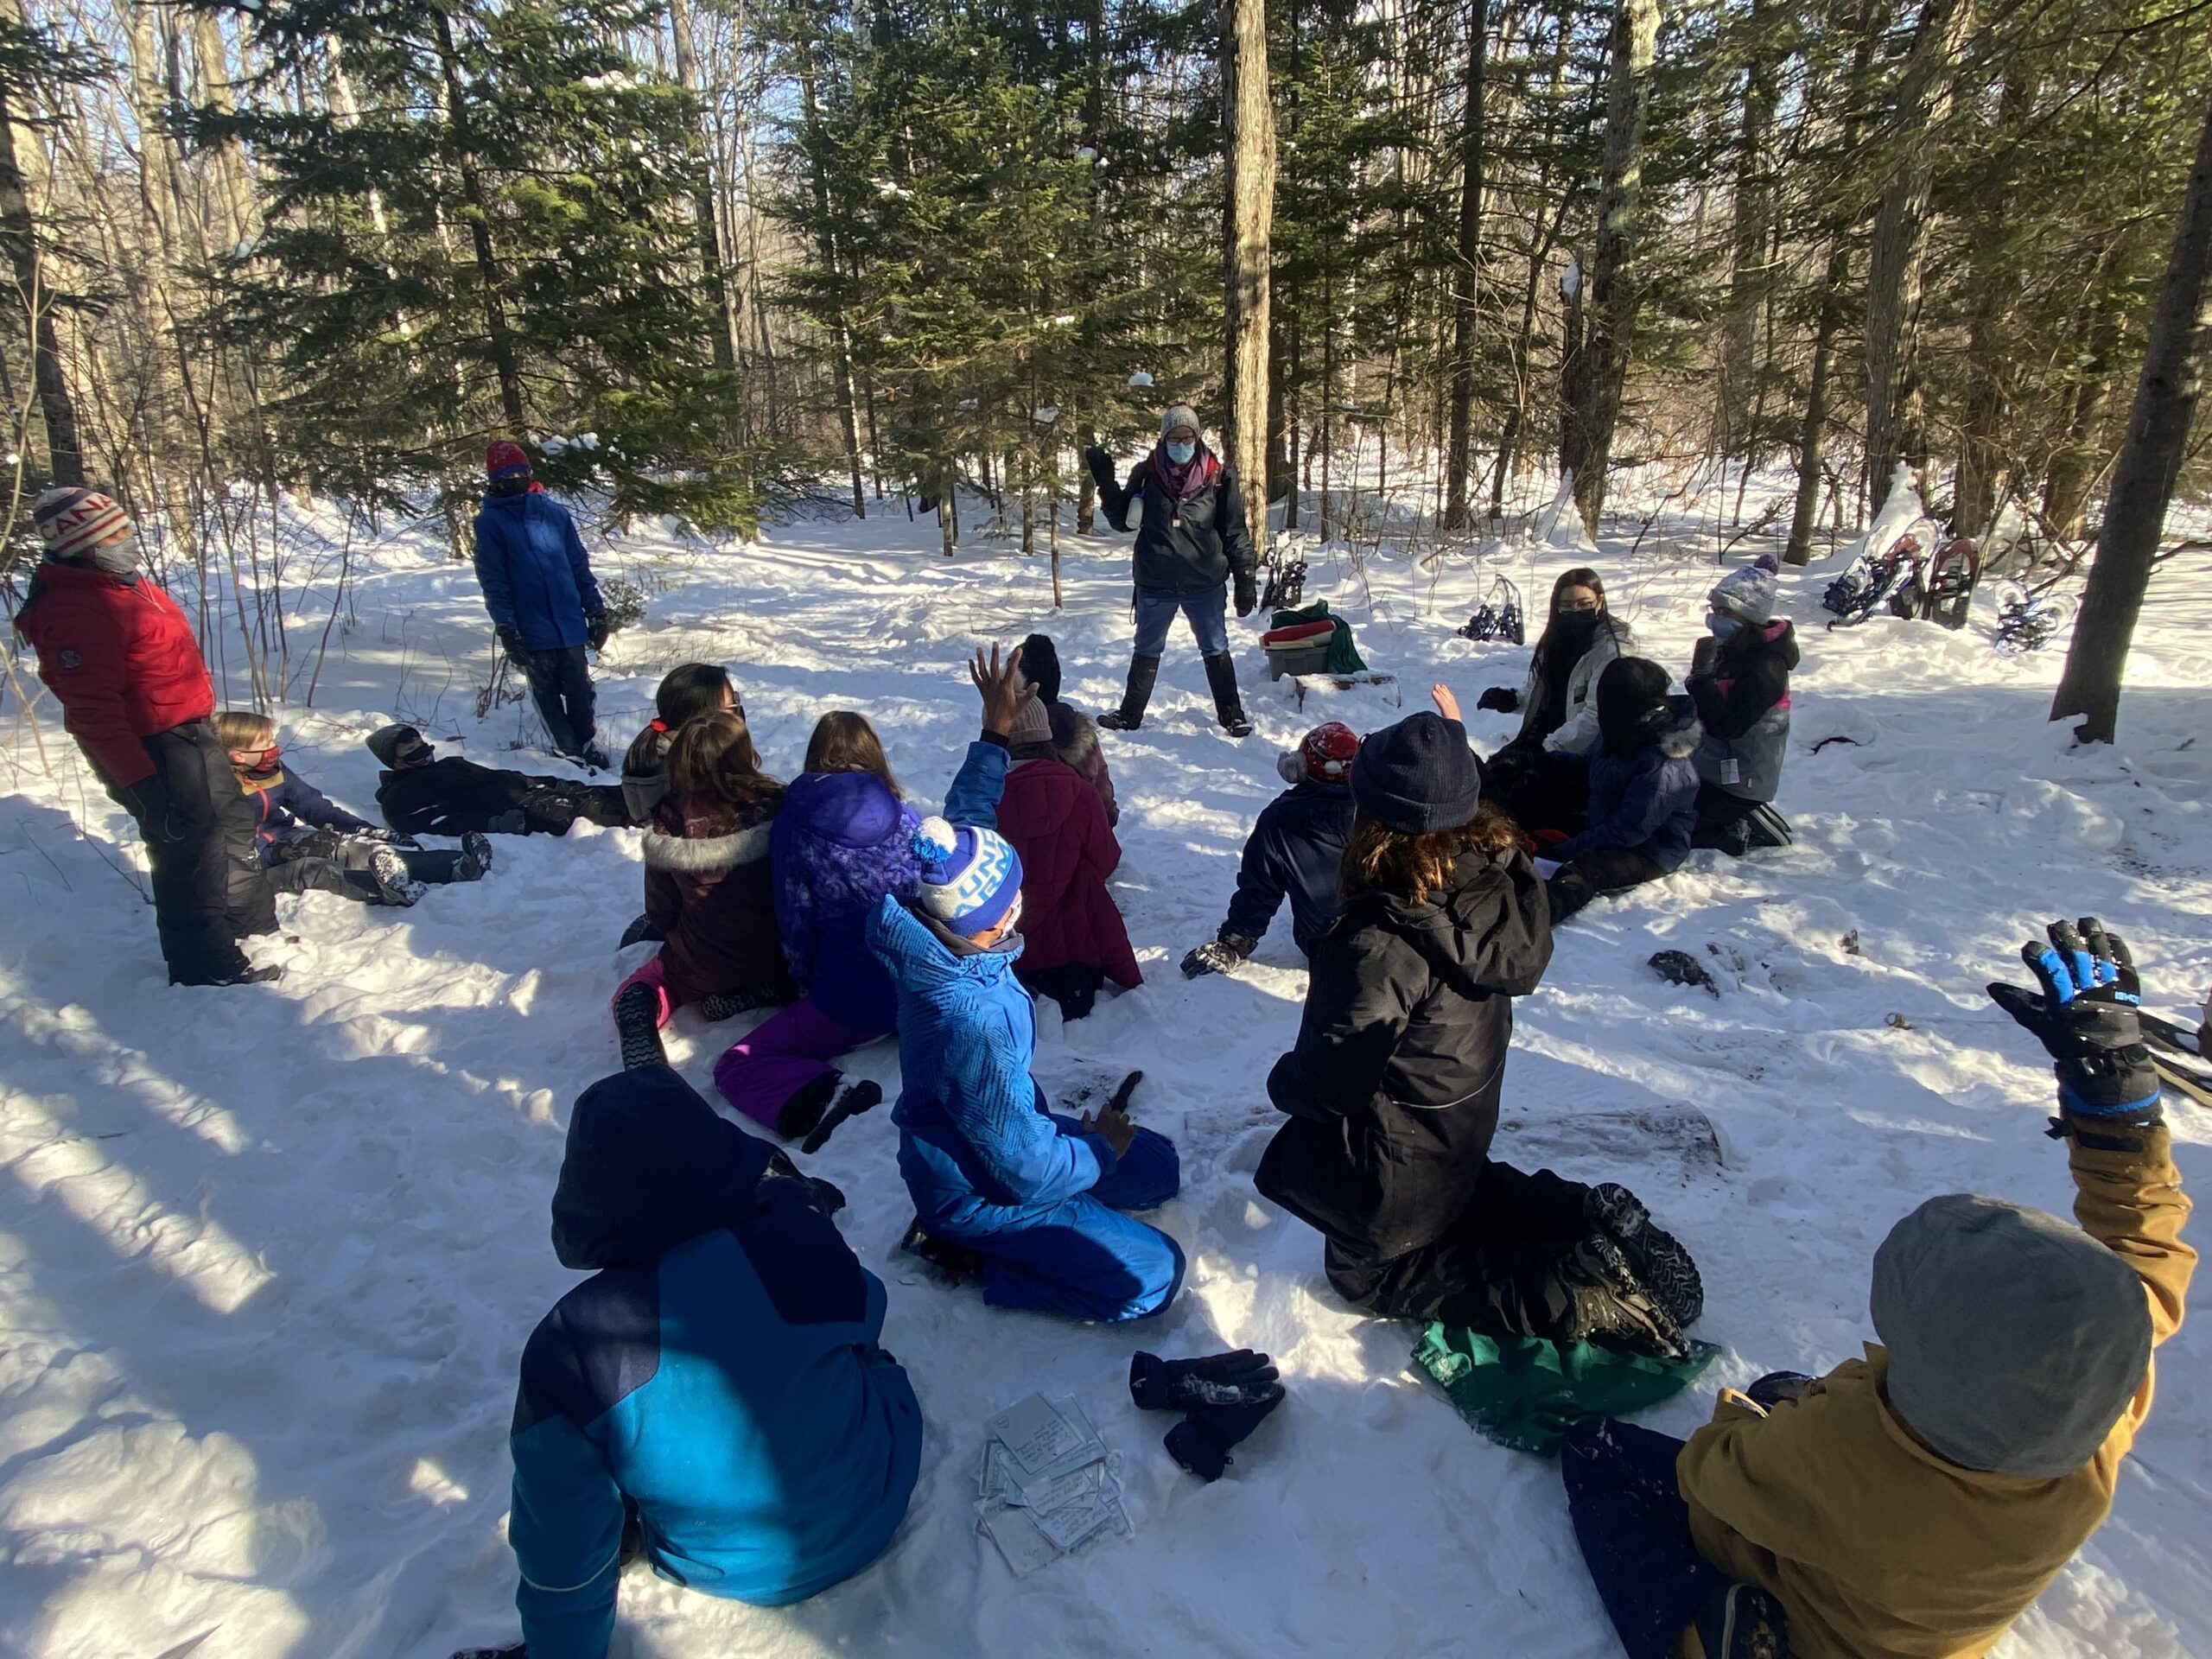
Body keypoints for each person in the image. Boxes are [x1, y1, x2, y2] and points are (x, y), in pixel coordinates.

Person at [1560, 917, 2193, 1659]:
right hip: (1935, 1617)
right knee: (1784, 1386)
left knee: (1598, 1456)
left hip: (1824, 1613)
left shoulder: (1846, 1447)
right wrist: (2118, 1098)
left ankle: (1703, 1632)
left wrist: (1753, 1418)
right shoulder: (2101, 1399)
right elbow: (2141, 1245)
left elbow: (1714, 1473)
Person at [1253, 700, 1697, 1354]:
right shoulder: (1498, 875)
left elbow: (1330, 1083)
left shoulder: (1378, 940)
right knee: (1454, 1194)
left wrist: (1284, 1081)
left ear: (1371, 817)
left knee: (1367, 1270)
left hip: (1403, 1150)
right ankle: (1574, 1213)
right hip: (1460, 1122)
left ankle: (1577, 1294)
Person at [501, 1067, 921, 1659]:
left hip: (726, 1565)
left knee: (598, 1450)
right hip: (881, 1494)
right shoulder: (800, 1237)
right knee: (854, 1354)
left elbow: (560, 1556)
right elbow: (868, 1313)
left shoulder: (573, 1344)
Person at [869, 818, 1185, 1321]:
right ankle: (971, 1256)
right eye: (1014, 892)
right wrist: (1097, 1150)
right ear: (992, 918)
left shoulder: (947, 943)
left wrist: (992, 742)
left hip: (999, 1134)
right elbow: (1027, 1171)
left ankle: (1067, 1211)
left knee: (1158, 1168)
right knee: (1155, 1277)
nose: (1023, 898)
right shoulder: (974, 1026)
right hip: (981, 1190)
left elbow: (964, 834)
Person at [714, 649, 1023, 1140]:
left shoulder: (795, 823)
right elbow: (968, 823)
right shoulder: (906, 818)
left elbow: (793, 919)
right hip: (918, 992)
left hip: (850, 1007)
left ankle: (823, 1097)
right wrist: (994, 732)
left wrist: (804, 986)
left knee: (737, 1065)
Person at [15, 487, 278, 985]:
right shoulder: (74, 609)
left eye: (125, 528)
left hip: (191, 729)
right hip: (153, 746)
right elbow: (94, 712)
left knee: (230, 824)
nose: (127, 539)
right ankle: (204, 963)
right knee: (188, 851)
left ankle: (249, 922)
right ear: (83, 544)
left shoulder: (122, 583)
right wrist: (143, 788)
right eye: (114, 533)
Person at [612, 710, 794, 1070]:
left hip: (703, 966)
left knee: (651, 980)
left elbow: (660, 913)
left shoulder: (670, 820)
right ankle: (773, 989)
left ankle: (645, 1011)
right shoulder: (777, 805)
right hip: (777, 955)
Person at [1084, 405, 1260, 738]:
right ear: (1163, 440)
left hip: (1205, 582)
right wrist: (1106, 484)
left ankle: (1232, 715)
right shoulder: (1146, 474)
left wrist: (1245, 578)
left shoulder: (1219, 478)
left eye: (1187, 437)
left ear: (1197, 438)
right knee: (1147, 648)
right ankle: (1129, 715)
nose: (1181, 444)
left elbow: (1235, 531)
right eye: (1173, 438)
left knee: (1215, 647)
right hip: (1155, 581)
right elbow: (1123, 522)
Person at [215, 711, 491, 907]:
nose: (275, 749)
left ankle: (456, 865)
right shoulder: (213, 786)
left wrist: (371, 832)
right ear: (238, 754)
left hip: (287, 840)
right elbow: (215, 846)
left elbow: (314, 807)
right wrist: (270, 851)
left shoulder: (272, 770)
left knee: (355, 850)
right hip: (249, 867)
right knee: (315, 869)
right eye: (266, 744)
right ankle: (387, 891)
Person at [982, 694, 1141, 1020]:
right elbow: (1106, 861)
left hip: (1002, 950)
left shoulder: (985, 795)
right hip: (1074, 954)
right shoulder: (1078, 790)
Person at [1181, 721, 1360, 979]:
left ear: (1300, 767)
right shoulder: (1386, 810)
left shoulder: (1279, 820)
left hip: (1325, 946)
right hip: (1395, 942)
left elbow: (1260, 887)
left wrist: (1234, 942)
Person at [473, 440, 612, 768]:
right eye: (507, 476)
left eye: (520, 473)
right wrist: (507, 627)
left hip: (569, 622)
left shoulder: (554, 513)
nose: (515, 480)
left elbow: (578, 565)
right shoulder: (490, 523)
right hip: (530, 625)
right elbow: (494, 581)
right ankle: (569, 751)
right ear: (494, 481)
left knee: (580, 689)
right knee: (547, 693)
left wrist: (595, 609)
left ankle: (586, 742)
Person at [1537, 662, 1700, 925]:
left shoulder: (1662, 764)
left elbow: (1628, 831)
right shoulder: (1623, 731)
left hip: (1648, 850)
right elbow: (1594, 767)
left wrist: (1564, 849)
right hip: (1604, 817)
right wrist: (1541, 762)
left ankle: (1535, 914)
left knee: (1586, 868)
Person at [1476, 567, 1637, 833]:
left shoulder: (1612, 650)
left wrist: (1547, 750)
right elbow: (1541, 692)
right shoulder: (1556, 638)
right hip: (1543, 738)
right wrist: (1511, 700)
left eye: (1583, 604)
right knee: (1489, 778)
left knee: (1518, 799)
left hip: (1581, 754)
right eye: (1567, 605)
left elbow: (1595, 717)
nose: (1574, 611)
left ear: (1600, 602)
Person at [1685, 559, 1797, 856]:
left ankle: (1747, 822)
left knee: (1682, 829)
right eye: (1715, 611)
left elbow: (1728, 725)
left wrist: (1701, 682)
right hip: (1712, 768)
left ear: (1748, 617)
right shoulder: (1732, 649)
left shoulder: (1765, 666)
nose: (1715, 619)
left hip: (1741, 779)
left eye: (1726, 612)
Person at [367, 724, 630, 837]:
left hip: (523, 790)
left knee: (615, 793)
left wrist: (547, 781)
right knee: (596, 809)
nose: (424, 753)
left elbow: (492, 777)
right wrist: (495, 824)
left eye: (423, 745)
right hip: (515, 809)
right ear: (396, 762)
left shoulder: (448, 764)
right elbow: (435, 823)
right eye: (412, 751)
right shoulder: (401, 795)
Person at [1017, 632, 1117, 826]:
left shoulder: (1008, 732)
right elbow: (1102, 790)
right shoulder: (1079, 732)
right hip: (1078, 837)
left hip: (1017, 845)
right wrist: (1107, 820)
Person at [620, 663, 739, 825]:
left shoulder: (662, 749)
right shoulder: (691, 771)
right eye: (731, 706)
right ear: (705, 718)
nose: (737, 712)